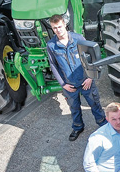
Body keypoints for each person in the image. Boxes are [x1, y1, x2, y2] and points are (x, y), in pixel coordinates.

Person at [45, 13, 106, 141]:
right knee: (74, 108)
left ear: (65, 24)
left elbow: (91, 57)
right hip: (69, 84)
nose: (58, 30)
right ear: (52, 28)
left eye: (60, 26)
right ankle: (78, 127)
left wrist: (90, 77)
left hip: (86, 81)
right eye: (54, 28)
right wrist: (63, 84)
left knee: (95, 104)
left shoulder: (78, 38)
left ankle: (103, 125)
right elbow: (53, 65)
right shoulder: (51, 45)